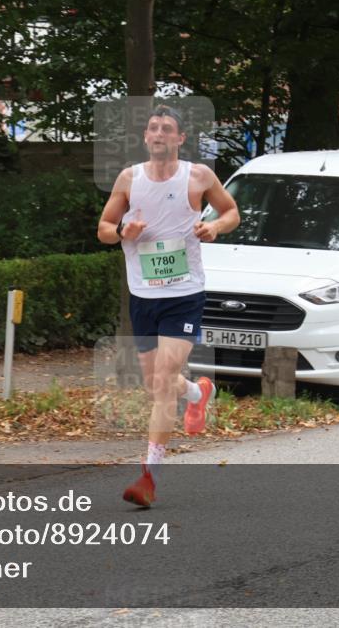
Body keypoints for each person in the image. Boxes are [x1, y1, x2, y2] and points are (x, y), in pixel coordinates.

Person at [97, 105, 240, 507]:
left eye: (168, 129)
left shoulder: (198, 177)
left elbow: (231, 212)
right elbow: (103, 230)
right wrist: (123, 229)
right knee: (155, 383)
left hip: (184, 295)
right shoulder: (130, 179)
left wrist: (214, 226)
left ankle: (149, 477)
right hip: (143, 297)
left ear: (179, 139)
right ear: (146, 137)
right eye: (153, 128)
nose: (159, 133)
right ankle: (197, 393)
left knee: (162, 383)